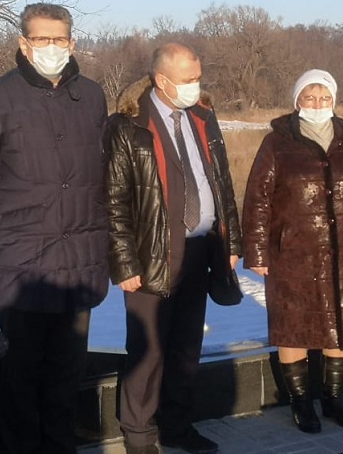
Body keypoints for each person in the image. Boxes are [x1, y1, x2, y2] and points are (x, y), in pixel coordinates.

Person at [0, 3, 110, 453]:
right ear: (23, 44)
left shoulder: (92, 96)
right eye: (41, 39)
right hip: (24, 262)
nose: (51, 48)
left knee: (67, 372)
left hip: (80, 259)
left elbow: (102, 173)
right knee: (22, 374)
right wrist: (4, 231)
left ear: (72, 43)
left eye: (59, 39)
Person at [105, 43, 243, 454]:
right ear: (161, 80)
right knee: (148, 353)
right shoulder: (128, 125)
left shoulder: (202, 115)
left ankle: (178, 427)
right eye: (187, 79)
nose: (196, 86)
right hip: (151, 254)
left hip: (200, 249)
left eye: (198, 77)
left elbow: (222, 182)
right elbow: (113, 199)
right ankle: (139, 435)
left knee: (185, 349)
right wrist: (124, 263)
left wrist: (230, 240)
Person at [242, 69, 343, 434]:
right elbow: (258, 199)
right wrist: (257, 252)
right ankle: (300, 401)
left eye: (324, 97)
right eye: (309, 97)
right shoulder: (277, 142)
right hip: (292, 253)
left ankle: (333, 397)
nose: (317, 104)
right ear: (297, 101)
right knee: (293, 326)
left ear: (334, 100)